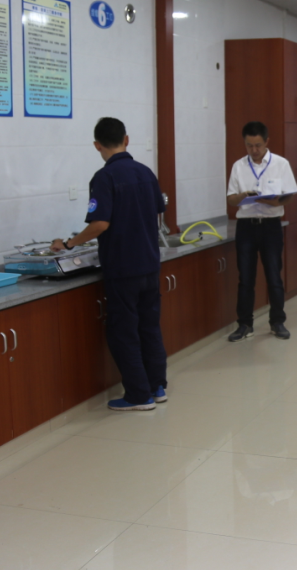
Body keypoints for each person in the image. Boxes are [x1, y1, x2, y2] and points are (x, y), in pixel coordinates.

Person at [51, 117, 167, 412]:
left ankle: (138, 396)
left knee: (124, 332)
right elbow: (156, 211)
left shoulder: (104, 178)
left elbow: (100, 223)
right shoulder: (146, 172)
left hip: (123, 269)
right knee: (149, 328)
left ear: (97, 145)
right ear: (126, 139)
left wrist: (69, 244)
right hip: (150, 264)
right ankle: (157, 387)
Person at [225, 121, 297, 342]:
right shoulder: (238, 166)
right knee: (246, 278)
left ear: (266, 142)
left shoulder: (281, 164)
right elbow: (231, 199)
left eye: (258, 145)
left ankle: (277, 322)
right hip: (246, 227)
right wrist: (243, 195)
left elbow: (289, 195)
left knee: (274, 276)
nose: (254, 150)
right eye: (249, 145)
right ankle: (245, 324)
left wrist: (276, 202)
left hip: (270, 225)